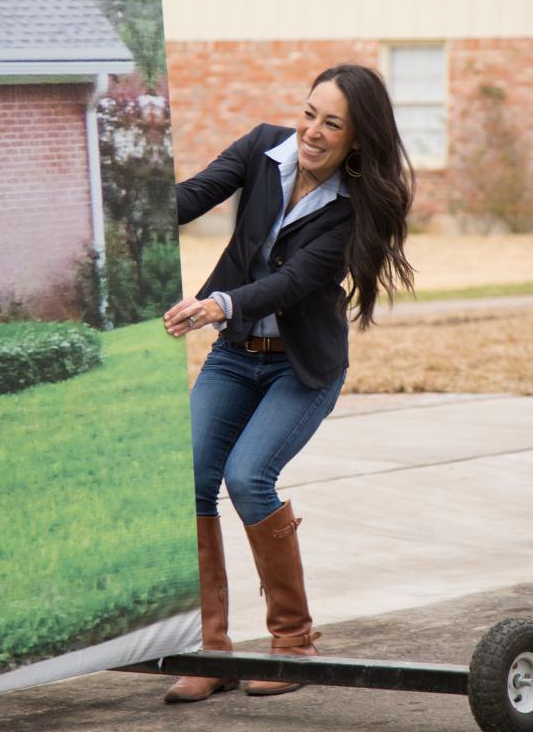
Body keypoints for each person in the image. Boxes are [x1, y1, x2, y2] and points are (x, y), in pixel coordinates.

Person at [161, 63, 415, 703]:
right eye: (309, 113)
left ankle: (293, 644)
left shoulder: (354, 208)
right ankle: (209, 651)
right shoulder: (259, 148)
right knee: (189, 477)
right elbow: (191, 196)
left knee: (248, 477)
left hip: (300, 367)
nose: (313, 131)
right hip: (235, 356)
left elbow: (295, 282)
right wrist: (123, 209)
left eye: (333, 124)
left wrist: (220, 303)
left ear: (357, 139)